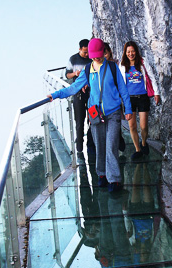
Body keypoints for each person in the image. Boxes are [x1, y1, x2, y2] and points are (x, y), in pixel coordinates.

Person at [50, 38, 132, 192]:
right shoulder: (88, 70)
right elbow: (73, 88)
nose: (96, 58)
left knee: (111, 145)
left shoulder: (113, 68)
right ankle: (101, 174)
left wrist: (128, 109)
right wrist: (55, 95)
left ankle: (113, 180)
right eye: (93, 56)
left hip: (113, 113)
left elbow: (123, 90)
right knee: (100, 145)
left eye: (98, 55)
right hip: (95, 114)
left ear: (103, 52)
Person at [119, 41, 161, 160]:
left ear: (136, 51)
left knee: (143, 126)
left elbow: (151, 77)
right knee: (132, 126)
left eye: (132, 51)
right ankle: (137, 149)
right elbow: (120, 82)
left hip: (142, 97)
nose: (131, 54)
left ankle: (143, 143)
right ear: (125, 53)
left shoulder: (142, 62)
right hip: (129, 99)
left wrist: (156, 93)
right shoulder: (122, 65)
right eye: (128, 52)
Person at [65, 39, 94, 154]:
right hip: (78, 93)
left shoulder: (92, 59)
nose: (87, 55)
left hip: (91, 91)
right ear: (80, 49)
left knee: (92, 118)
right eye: (85, 52)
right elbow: (67, 75)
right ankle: (79, 148)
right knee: (79, 120)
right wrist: (75, 74)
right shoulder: (73, 59)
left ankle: (91, 144)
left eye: (88, 52)